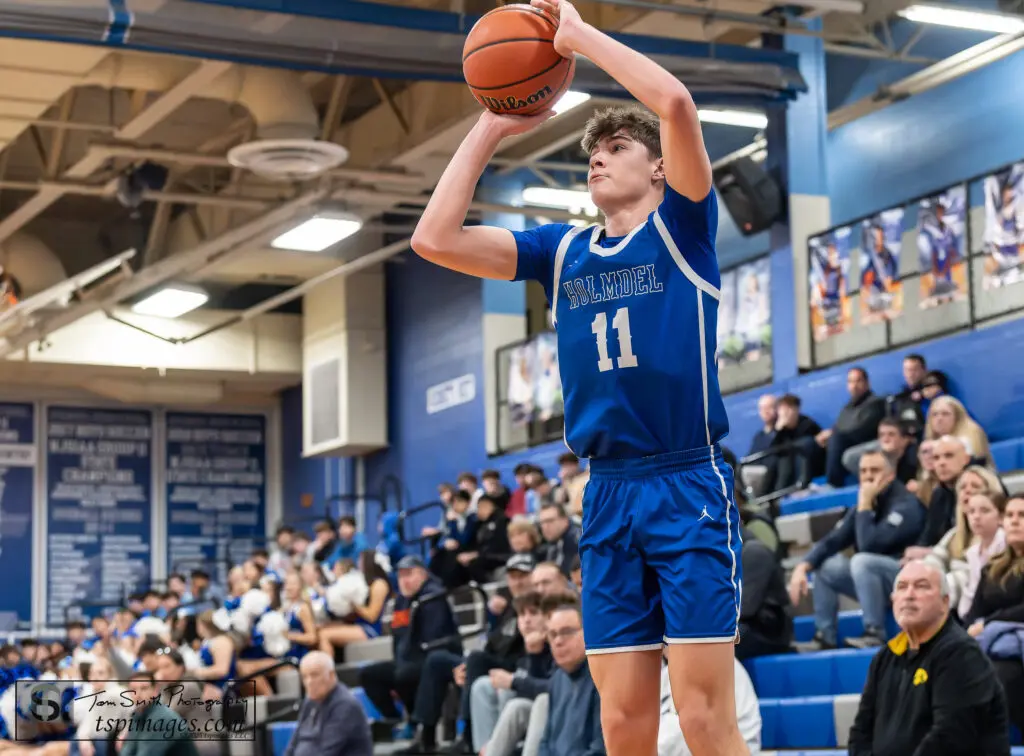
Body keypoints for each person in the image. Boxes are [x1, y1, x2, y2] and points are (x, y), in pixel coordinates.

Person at [410, 0, 744, 752]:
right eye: (593, 150)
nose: (598, 157)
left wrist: (580, 37)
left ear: (658, 167)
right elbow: (433, 237)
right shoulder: (561, 251)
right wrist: (493, 123)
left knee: (701, 715)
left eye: (617, 147)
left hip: (686, 480)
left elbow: (676, 103)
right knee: (621, 720)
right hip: (607, 491)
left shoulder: (683, 229)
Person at [848, 559, 1010, 756]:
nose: (909, 595)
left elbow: (950, 737)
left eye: (921, 586)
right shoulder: (885, 657)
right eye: (902, 587)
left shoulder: (962, 654)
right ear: (893, 600)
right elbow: (860, 732)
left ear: (945, 602)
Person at [283, 651, 373, 756]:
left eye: (314, 675)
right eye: (304, 677)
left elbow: (326, 752)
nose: (309, 682)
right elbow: (293, 744)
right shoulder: (310, 701)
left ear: (331, 675)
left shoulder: (345, 705)